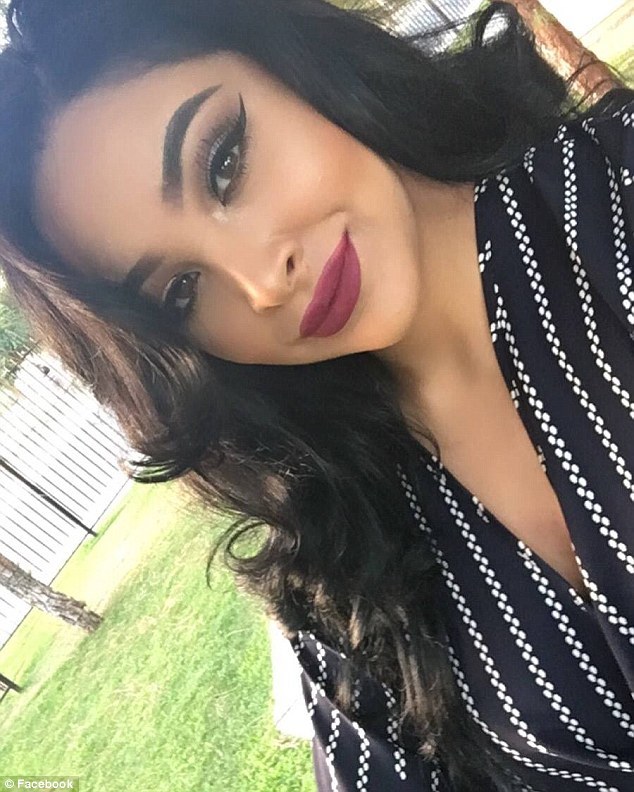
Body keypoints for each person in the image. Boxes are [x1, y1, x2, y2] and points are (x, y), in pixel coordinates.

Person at [0, 0, 631, 789]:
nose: (262, 284)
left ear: (289, 58)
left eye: (224, 164)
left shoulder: (610, 190)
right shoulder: (339, 539)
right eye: (182, 290)